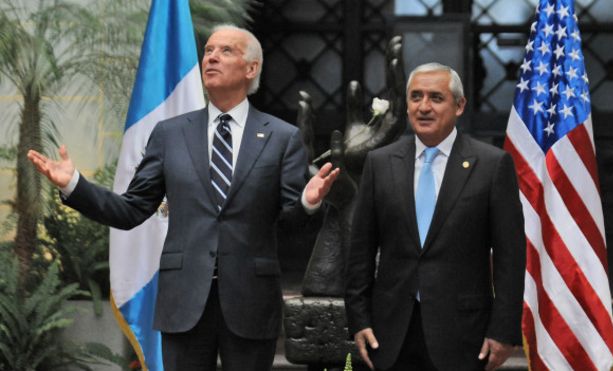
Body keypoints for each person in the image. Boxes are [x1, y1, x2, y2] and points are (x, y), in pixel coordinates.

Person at [28, 24, 339, 371]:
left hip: (251, 300)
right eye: (208, 50)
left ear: (251, 68)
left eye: (225, 51)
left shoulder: (283, 137)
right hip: (184, 300)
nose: (211, 58)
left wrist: (309, 203)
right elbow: (130, 209)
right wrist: (74, 183)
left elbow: (289, 225)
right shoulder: (170, 134)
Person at [344, 62, 525, 371]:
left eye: (436, 98)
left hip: (463, 334)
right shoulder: (380, 162)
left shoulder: (492, 165)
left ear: (459, 105)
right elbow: (360, 249)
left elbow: (511, 256)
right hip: (389, 334)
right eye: (416, 97)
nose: (423, 107)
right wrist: (358, 320)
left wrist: (503, 331)